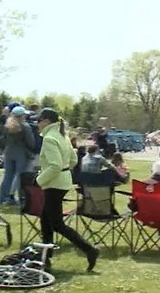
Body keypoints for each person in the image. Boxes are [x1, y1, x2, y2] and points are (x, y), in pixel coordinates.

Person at [36, 108, 99, 271]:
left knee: (56, 223)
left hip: (54, 183)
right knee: (45, 219)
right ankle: (46, 257)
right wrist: (63, 171)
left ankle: (89, 250)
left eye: (39, 120)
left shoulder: (49, 138)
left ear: (47, 121)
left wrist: (39, 180)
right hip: (62, 181)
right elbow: (72, 160)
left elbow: (55, 166)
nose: (37, 123)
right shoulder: (62, 135)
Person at [0, 106, 35, 205]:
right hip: (21, 152)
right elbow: (31, 142)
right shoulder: (25, 126)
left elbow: (2, 139)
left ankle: (2, 198)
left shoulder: (7, 126)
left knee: (8, 176)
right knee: (19, 176)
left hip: (8, 151)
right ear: (22, 116)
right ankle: (14, 196)